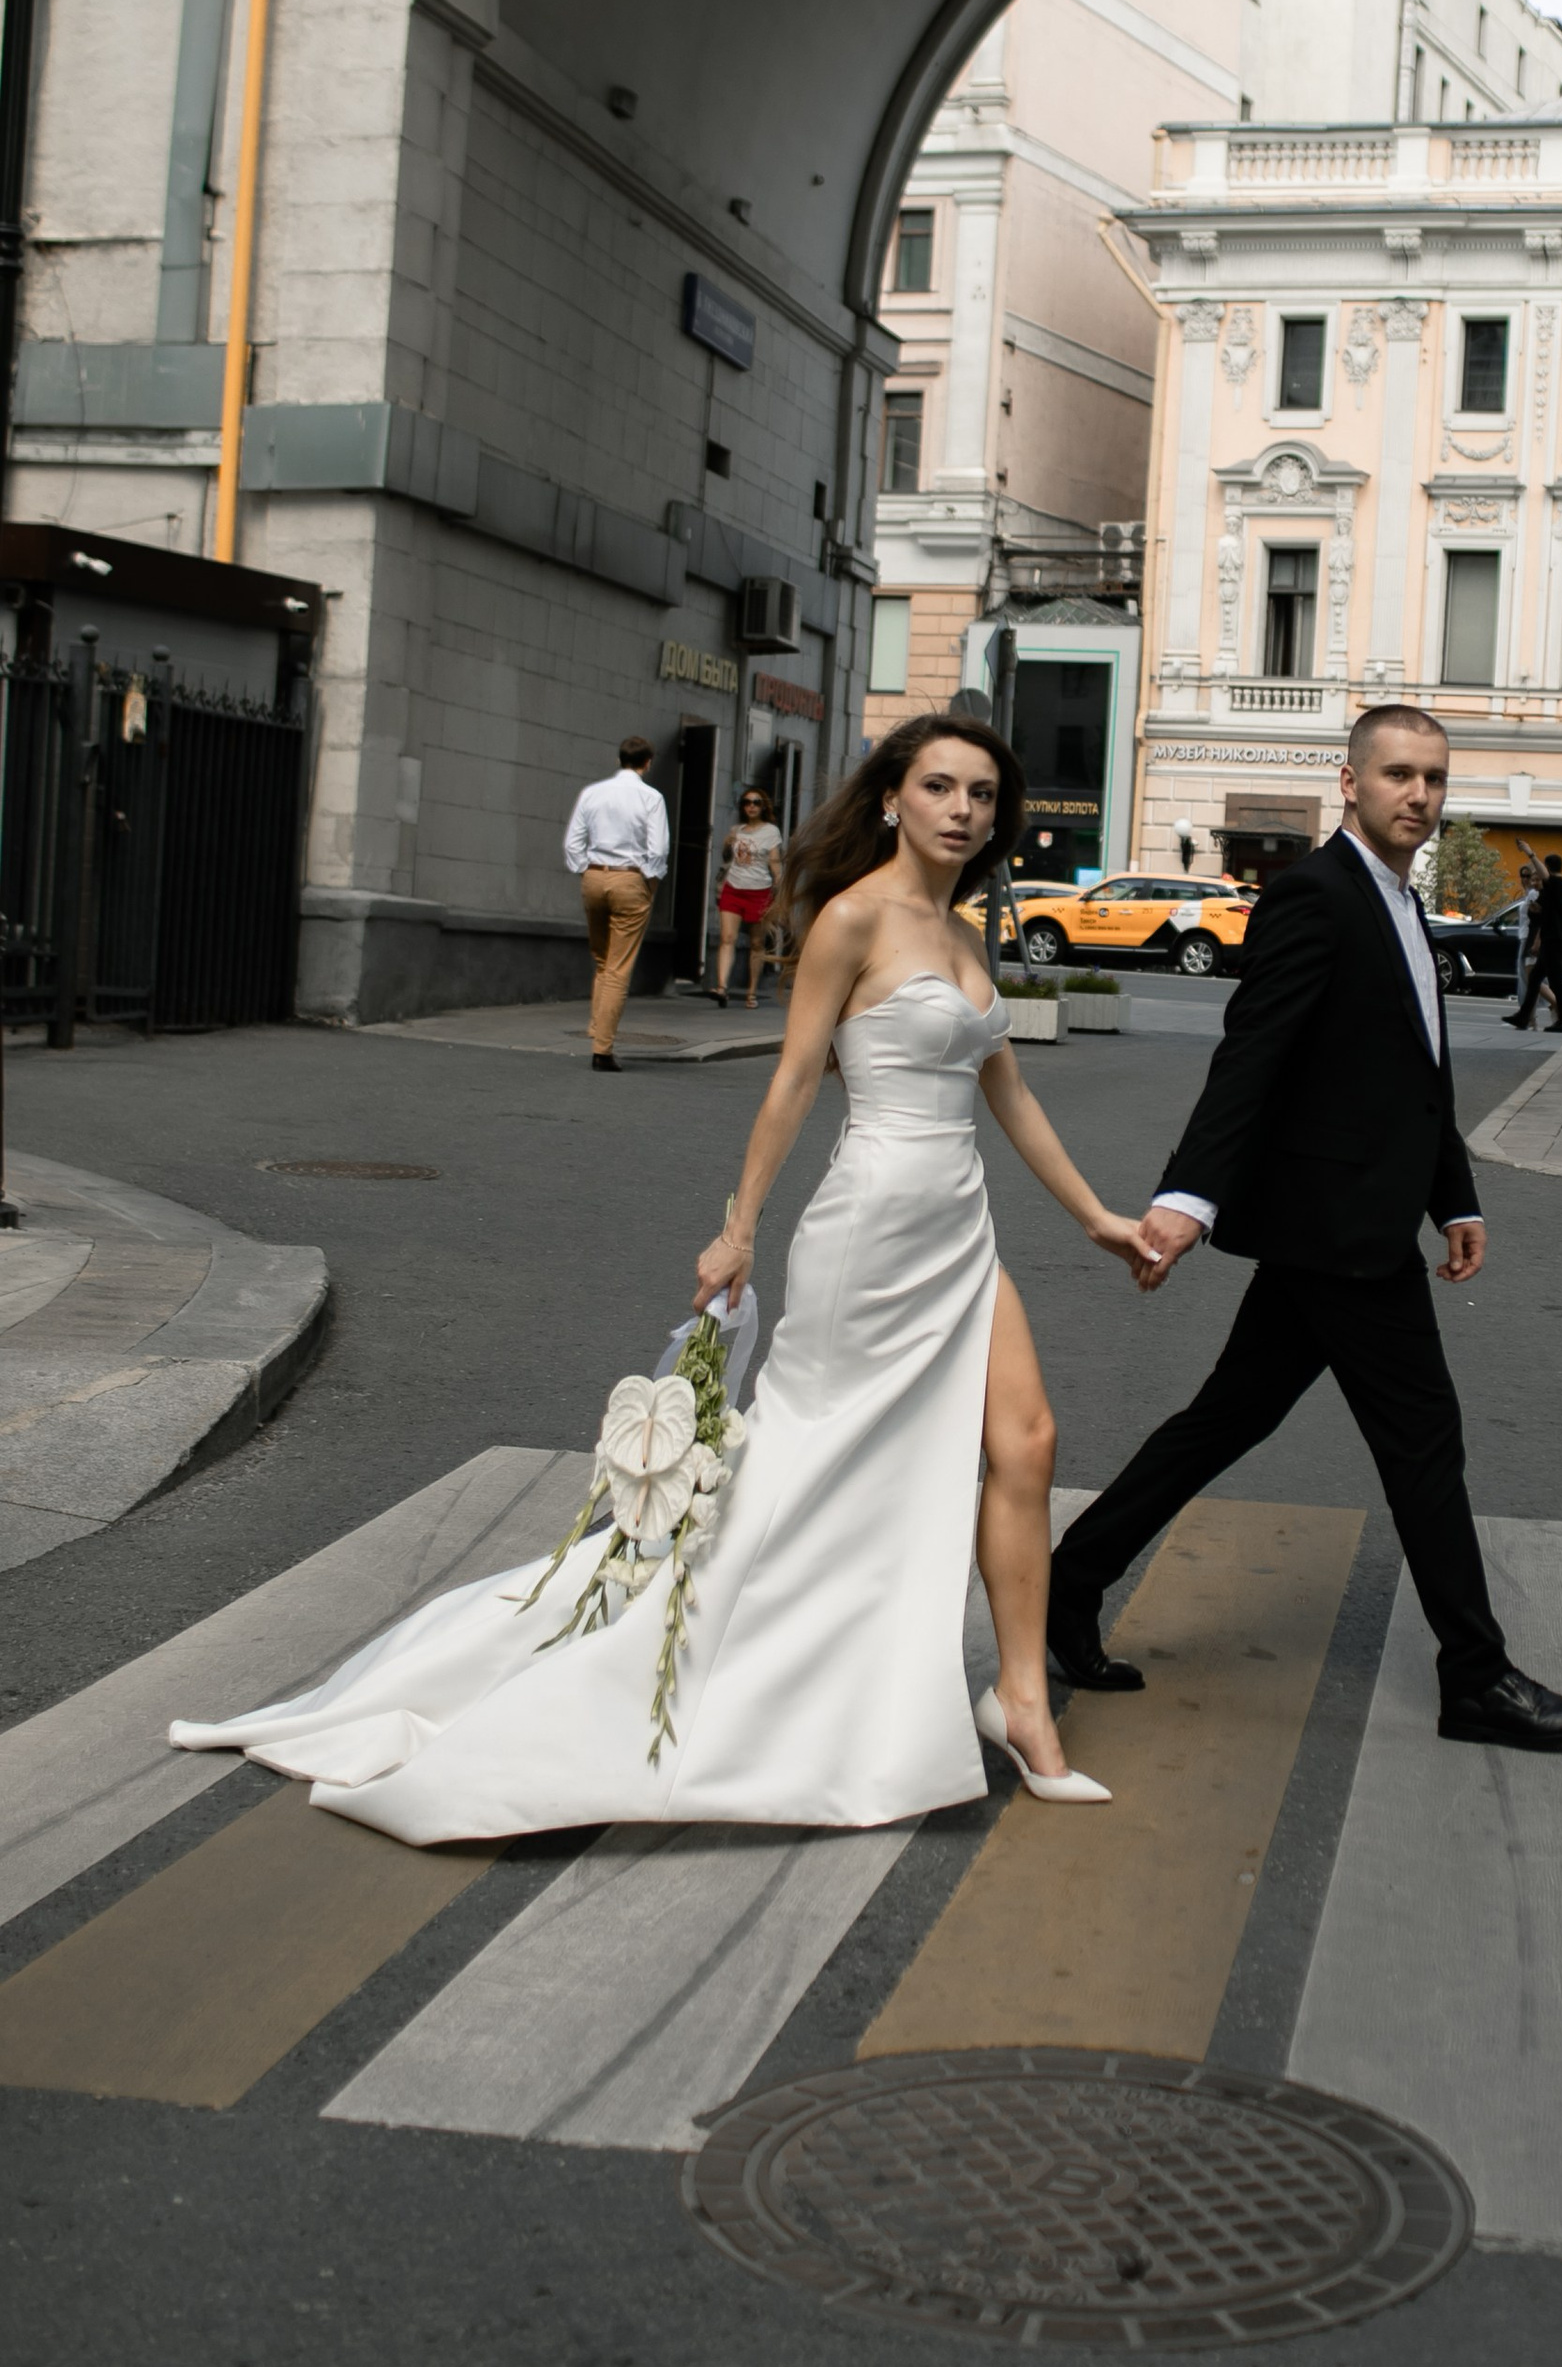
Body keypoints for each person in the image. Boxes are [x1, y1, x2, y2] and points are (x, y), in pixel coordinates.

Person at [172, 716, 1149, 1831]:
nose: (962, 809)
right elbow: (793, 1081)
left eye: (981, 792)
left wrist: (1097, 1220)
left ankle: (1018, 1701)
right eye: (939, 786)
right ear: (892, 798)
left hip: (958, 1227)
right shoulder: (854, 917)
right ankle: (665, 1656)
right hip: (870, 1231)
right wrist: (738, 1232)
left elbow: (1005, 1090)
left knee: (1028, 1443)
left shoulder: (963, 934)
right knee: (798, 1465)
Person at [1045, 707, 1562, 1754]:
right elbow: (1252, 1053)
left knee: (1226, 1420)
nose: (1419, 795)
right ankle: (1475, 1677)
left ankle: (1067, 1581)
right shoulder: (1314, 893)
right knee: (1422, 1442)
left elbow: (1416, 1074)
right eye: (1398, 774)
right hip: (1338, 1232)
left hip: (1344, 1225)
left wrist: (1456, 1199)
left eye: (1433, 778)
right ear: (1349, 782)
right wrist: (1187, 1197)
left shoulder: (1401, 900)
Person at [565, 734, 668, 1070]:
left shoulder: (592, 793)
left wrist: (585, 869)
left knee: (601, 958)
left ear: (618, 760)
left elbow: (573, 843)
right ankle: (603, 1048)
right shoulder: (651, 797)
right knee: (618, 967)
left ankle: (597, 1026)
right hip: (629, 878)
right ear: (647, 763)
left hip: (594, 876)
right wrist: (649, 883)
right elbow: (658, 849)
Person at [712, 786, 783, 1009]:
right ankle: (722, 987)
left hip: (759, 890)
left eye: (756, 802)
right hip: (733, 888)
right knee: (727, 938)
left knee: (756, 943)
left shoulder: (771, 831)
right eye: (747, 802)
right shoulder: (736, 830)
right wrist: (728, 842)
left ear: (763, 807)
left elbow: (774, 861)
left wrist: (779, 885)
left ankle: (751, 992)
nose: (751, 806)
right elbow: (726, 858)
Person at [1505, 853, 1562, 1032]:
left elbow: (1546, 913)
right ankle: (1524, 1017)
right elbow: (1541, 914)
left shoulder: (1557, 883)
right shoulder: (1551, 890)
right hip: (1551, 939)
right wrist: (1535, 910)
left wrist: (1530, 853)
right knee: (1535, 978)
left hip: (1555, 939)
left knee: (1556, 981)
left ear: (1548, 868)